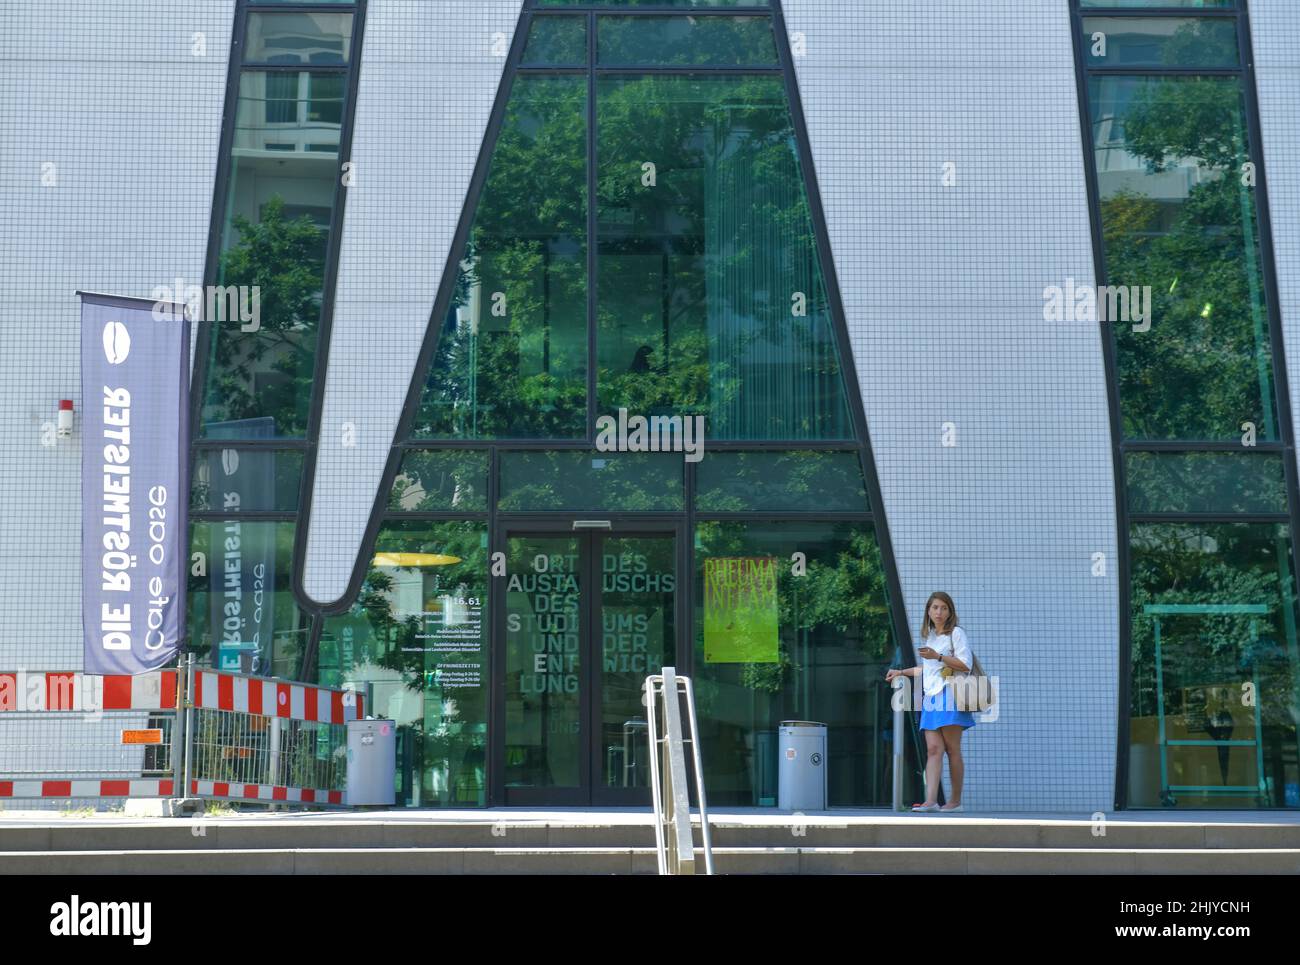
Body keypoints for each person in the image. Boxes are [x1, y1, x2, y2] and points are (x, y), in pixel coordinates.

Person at [885, 591, 975, 812]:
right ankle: (931, 801)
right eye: (935, 607)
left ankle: (954, 802)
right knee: (933, 749)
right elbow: (928, 670)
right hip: (931, 697)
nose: (939, 612)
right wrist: (901, 672)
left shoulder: (956, 633)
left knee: (952, 749)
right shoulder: (931, 637)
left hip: (950, 694)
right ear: (928, 610)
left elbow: (966, 664)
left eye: (944, 608)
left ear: (950, 612)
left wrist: (939, 656)